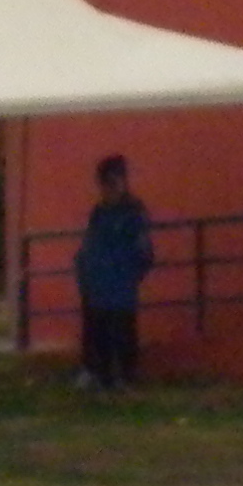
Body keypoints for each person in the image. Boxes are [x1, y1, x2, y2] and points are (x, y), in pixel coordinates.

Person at [74, 154, 155, 391]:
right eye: (105, 183)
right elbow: (89, 244)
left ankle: (123, 377)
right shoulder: (99, 212)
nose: (108, 189)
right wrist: (84, 270)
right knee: (96, 329)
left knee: (121, 330)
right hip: (97, 283)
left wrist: (130, 275)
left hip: (120, 284)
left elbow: (144, 251)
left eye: (113, 182)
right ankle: (99, 374)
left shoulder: (133, 212)